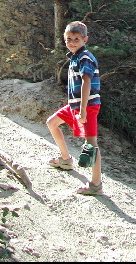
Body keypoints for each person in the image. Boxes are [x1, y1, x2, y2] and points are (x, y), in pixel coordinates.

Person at [46, 20, 102, 195]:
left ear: (85, 39)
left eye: (77, 39)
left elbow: (86, 82)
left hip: (88, 106)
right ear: (64, 39)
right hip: (74, 106)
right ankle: (65, 159)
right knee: (52, 122)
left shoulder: (85, 58)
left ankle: (96, 185)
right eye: (69, 39)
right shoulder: (75, 57)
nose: (72, 42)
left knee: (91, 145)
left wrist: (84, 110)